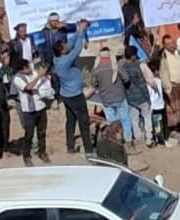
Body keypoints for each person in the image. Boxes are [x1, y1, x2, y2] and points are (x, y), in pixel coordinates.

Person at [55, 20, 92, 154]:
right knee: (84, 121)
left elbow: (70, 44)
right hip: (75, 95)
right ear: (63, 51)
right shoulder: (65, 61)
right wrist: (81, 31)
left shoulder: (58, 58)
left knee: (70, 120)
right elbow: (77, 49)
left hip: (66, 94)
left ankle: (70, 146)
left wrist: (79, 30)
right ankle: (88, 149)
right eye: (64, 45)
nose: (67, 45)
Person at [92, 46, 134, 149]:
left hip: (106, 99)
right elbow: (126, 78)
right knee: (125, 119)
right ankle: (128, 141)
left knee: (112, 121)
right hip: (120, 97)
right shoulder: (116, 66)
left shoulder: (96, 69)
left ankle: (115, 142)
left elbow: (94, 84)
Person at [12, 59, 51, 166]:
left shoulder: (34, 73)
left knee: (42, 132)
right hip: (29, 111)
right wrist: (39, 76)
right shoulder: (17, 78)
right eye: (26, 68)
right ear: (21, 70)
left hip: (40, 107)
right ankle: (26, 156)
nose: (29, 69)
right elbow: (28, 87)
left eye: (28, 66)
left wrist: (44, 75)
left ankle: (42, 152)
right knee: (29, 134)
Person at [121, 46, 153, 148]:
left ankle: (138, 138)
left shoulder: (122, 68)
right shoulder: (137, 67)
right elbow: (142, 84)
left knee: (134, 119)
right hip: (141, 97)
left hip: (130, 98)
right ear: (133, 56)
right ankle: (149, 139)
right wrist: (148, 98)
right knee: (147, 117)